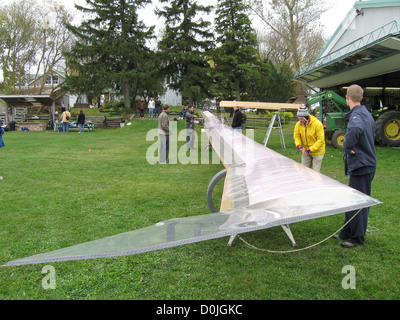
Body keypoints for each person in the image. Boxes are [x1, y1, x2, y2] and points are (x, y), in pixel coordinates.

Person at [336, 84, 377, 248]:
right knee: (351, 199)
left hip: (362, 165)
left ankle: (357, 238)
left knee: (359, 201)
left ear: (347, 97)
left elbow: (355, 130)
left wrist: (347, 147)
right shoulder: (365, 113)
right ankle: (346, 232)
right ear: (361, 97)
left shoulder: (357, 117)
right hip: (365, 163)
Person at [293, 105, 325, 172]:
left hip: (318, 151)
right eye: (299, 118)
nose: (300, 120)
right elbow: (297, 136)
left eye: (302, 119)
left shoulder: (317, 124)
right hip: (306, 151)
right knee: (304, 171)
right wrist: (298, 145)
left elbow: (320, 140)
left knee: (315, 172)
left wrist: (310, 149)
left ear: (306, 117)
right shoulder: (298, 124)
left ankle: (316, 182)